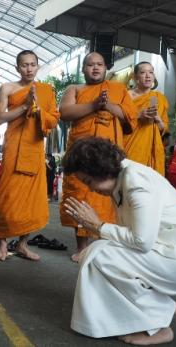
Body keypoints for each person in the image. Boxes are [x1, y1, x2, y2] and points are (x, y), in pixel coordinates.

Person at [62, 137, 176, 345]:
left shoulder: (136, 182)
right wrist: (99, 229)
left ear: (101, 169)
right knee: (96, 251)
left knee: (101, 255)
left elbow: (141, 241)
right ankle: (158, 305)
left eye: (89, 182)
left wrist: (98, 226)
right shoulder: (122, 179)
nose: (91, 190)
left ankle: (158, 324)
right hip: (172, 253)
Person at [59, 52, 137, 262]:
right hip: (82, 153)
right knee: (81, 194)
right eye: (90, 65)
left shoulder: (118, 90)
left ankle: (105, 244)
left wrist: (107, 106)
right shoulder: (74, 89)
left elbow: (130, 117)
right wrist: (93, 106)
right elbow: (65, 113)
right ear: (83, 69)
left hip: (108, 153)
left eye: (99, 64)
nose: (95, 68)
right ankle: (82, 247)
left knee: (110, 198)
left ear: (106, 68)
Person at [0, 50, 60, 261]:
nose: (29, 69)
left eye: (32, 64)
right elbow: (1, 118)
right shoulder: (8, 88)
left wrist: (39, 111)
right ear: (17, 68)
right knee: (7, 196)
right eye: (24, 65)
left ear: (37, 66)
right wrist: (25, 105)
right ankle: (2, 244)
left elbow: (54, 119)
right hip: (14, 146)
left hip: (35, 147)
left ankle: (22, 244)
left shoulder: (46, 90)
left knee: (33, 200)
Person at [124, 61, 169, 175]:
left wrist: (158, 120)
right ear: (135, 77)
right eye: (143, 72)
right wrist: (139, 115)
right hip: (130, 145)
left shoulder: (159, 98)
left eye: (151, 72)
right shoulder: (126, 96)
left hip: (152, 147)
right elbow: (118, 121)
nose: (148, 76)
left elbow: (163, 128)